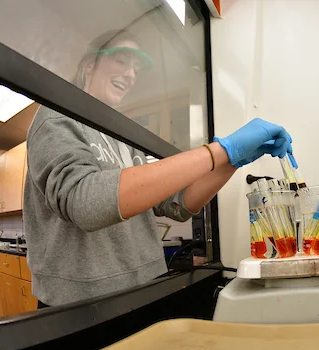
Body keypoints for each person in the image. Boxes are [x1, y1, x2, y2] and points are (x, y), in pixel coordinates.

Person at [24, 30, 293, 307]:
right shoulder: (56, 115)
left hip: (147, 288)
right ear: (90, 64)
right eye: (121, 61)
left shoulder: (123, 132)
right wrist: (222, 150)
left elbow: (175, 204)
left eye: (136, 69)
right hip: (84, 305)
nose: (130, 74)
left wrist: (231, 162)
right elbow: (84, 202)